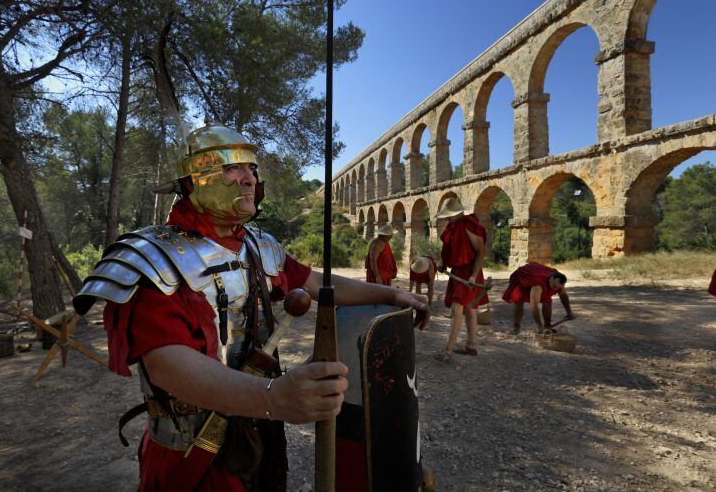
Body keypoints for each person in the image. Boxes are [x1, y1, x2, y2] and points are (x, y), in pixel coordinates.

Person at [73, 122, 429, 492]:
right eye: (232, 167)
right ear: (197, 179)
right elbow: (165, 364)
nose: (249, 178)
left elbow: (318, 284)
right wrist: (275, 397)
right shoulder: (152, 257)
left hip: (258, 430)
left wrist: (389, 295)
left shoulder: (259, 245)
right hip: (192, 451)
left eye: (251, 169)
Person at [433, 198, 488, 362]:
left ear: (459, 213)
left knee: (457, 310)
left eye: (449, 215)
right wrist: (443, 263)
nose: (447, 218)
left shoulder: (469, 226)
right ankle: (471, 346)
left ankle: (448, 352)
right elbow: (451, 251)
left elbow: (481, 252)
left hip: (470, 273)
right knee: (469, 309)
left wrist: (473, 275)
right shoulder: (452, 227)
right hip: (458, 272)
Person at [501, 262, 575, 334]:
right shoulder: (538, 284)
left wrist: (569, 312)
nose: (555, 290)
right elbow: (534, 306)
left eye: (557, 288)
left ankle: (547, 325)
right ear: (551, 279)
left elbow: (563, 295)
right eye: (554, 287)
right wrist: (540, 326)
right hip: (522, 278)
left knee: (547, 300)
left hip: (538, 274)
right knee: (519, 300)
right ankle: (516, 327)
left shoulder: (558, 279)